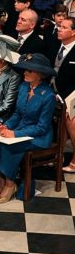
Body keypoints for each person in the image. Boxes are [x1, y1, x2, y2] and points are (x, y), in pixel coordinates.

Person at [0, 53, 56, 203]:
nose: (25, 73)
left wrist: (15, 134)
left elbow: (42, 127)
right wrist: (6, 126)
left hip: (39, 137)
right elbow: (17, 114)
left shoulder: (48, 96)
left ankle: (10, 184)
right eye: (25, 70)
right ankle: (2, 180)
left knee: (9, 148)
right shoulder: (23, 86)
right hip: (20, 129)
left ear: (40, 74)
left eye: (30, 71)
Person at [50, 17, 75, 173]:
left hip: (72, 92)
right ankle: (54, 155)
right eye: (59, 26)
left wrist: (65, 96)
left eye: (64, 27)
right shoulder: (55, 45)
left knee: (70, 120)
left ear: (73, 32)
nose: (59, 29)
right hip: (54, 89)